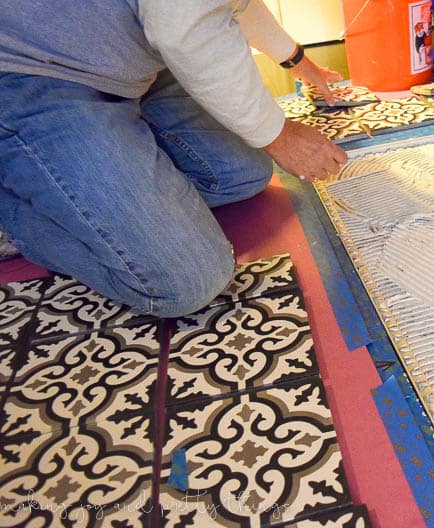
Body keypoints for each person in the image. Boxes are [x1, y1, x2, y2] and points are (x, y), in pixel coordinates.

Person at [0, 0, 347, 317]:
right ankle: (21, 204)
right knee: (189, 280)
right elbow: (185, 28)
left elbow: (230, 3)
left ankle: (112, 179)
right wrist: (281, 136)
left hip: (129, 60)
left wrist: (296, 58)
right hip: (35, 74)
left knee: (242, 173)